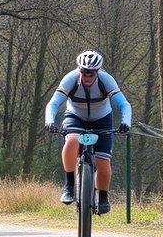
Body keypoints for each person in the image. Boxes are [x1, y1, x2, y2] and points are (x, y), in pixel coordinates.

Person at [43, 50, 131, 215]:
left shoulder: (106, 80)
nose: (87, 76)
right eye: (84, 72)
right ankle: (69, 186)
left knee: (103, 162)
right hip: (75, 117)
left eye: (91, 73)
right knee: (72, 140)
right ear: (79, 69)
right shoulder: (70, 79)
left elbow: (124, 104)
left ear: (98, 71)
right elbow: (53, 103)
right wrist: (50, 121)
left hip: (102, 119)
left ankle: (103, 197)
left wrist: (126, 123)